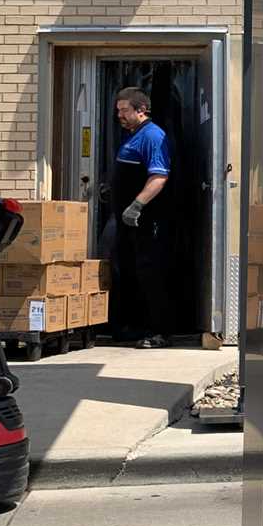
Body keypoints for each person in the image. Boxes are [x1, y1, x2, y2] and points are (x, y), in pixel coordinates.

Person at [111, 87, 173, 349]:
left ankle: (158, 331)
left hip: (145, 222)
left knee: (150, 273)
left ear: (141, 110)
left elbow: (159, 176)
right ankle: (132, 328)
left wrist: (137, 205)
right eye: (118, 111)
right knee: (129, 271)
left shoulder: (153, 136)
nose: (120, 115)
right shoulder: (132, 135)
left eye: (124, 110)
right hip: (127, 224)